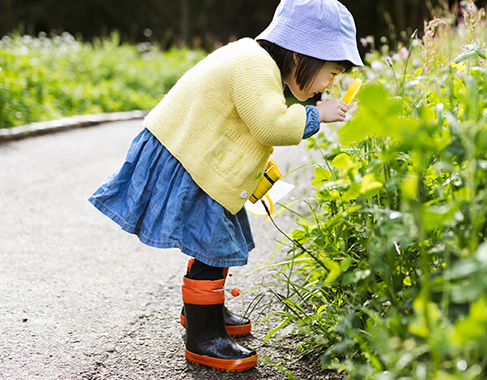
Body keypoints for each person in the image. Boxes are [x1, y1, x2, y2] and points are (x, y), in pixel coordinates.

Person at [88, 0, 363, 373]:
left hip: (196, 159)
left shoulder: (255, 60)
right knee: (213, 246)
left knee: (215, 245)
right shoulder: (254, 65)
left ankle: (205, 311)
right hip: (186, 159)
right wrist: (317, 114)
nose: (330, 84)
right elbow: (270, 126)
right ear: (302, 54)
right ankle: (204, 337)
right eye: (330, 73)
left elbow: (242, 126)